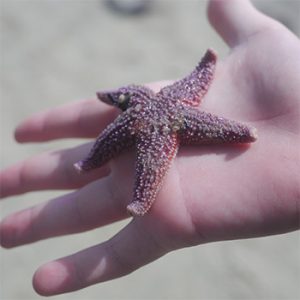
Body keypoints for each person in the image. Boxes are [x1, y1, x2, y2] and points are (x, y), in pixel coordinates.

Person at [0, 0, 299, 296]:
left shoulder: (155, 104)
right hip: (156, 113)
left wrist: (218, 83)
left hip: (161, 113)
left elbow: (191, 80)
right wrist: (94, 159)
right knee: (111, 151)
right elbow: (133, 98)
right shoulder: (152, 105)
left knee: (128, 156)